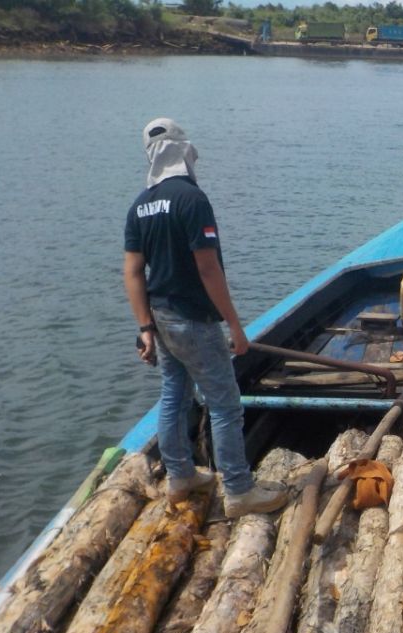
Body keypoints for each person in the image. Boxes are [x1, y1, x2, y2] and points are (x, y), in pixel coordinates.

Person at [123, 118, 287, 518]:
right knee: (225, 405)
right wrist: (233, 324)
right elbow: (208, 268)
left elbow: (132, 272)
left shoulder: (140, 205)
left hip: (161, 318)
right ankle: (238, 490)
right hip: (194, 319)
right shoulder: (192, 200)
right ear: (183, 150)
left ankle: (180, 475)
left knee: (174, 394)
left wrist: (145, 327)